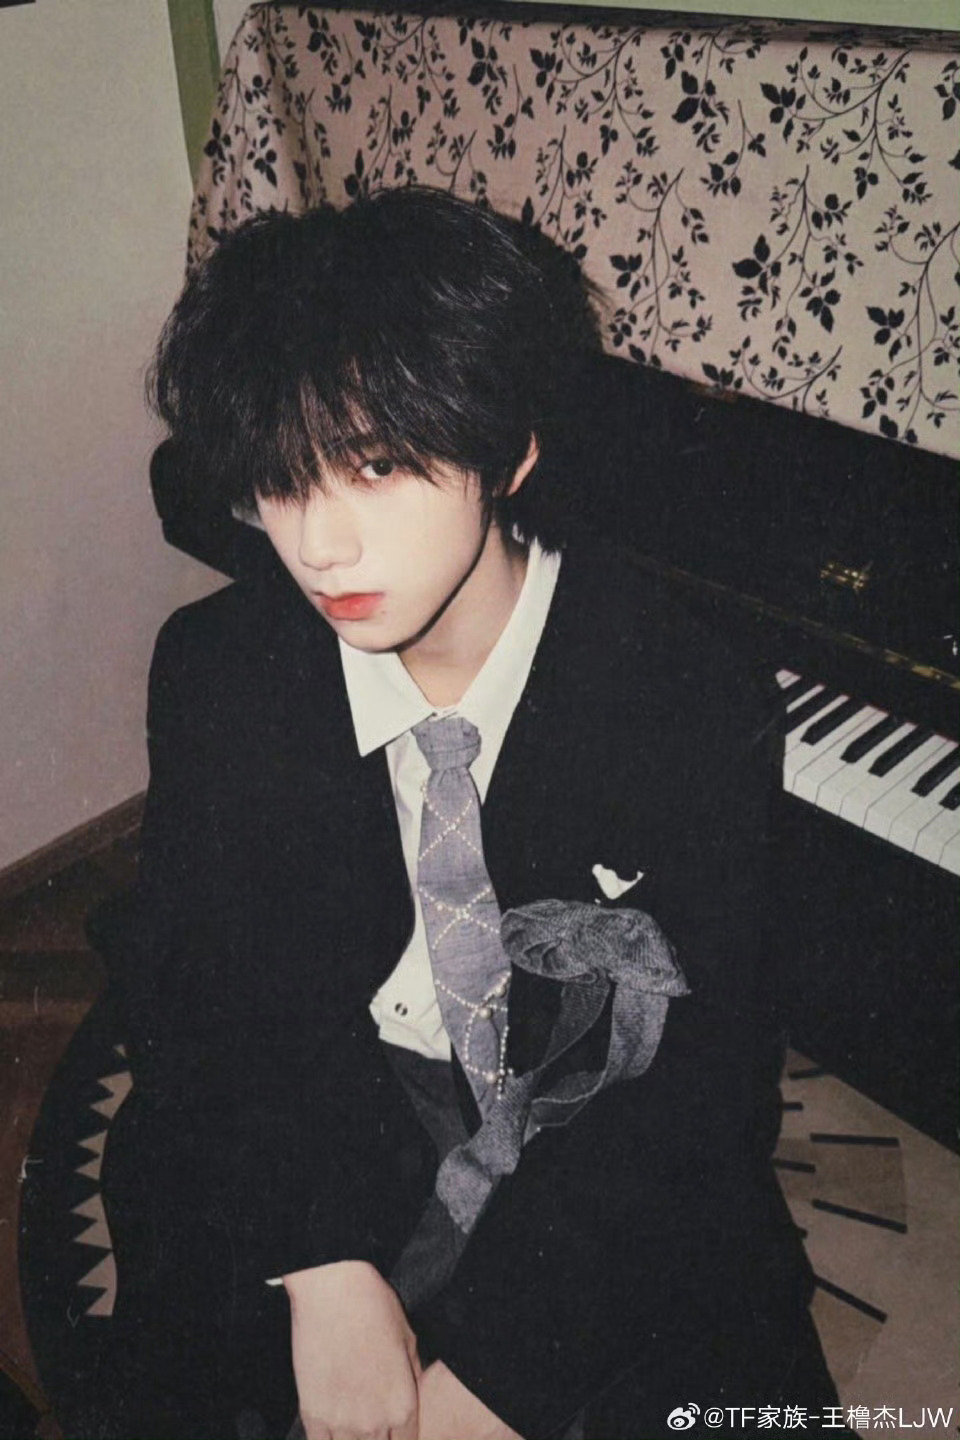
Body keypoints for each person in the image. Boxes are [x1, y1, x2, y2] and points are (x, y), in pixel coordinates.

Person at [94, 186, 839, 1440]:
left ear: (511, 451)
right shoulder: (219, 666)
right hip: (324, 1100)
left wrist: (500, 1377)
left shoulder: (684, 692)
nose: (320, 545)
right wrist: (320, 1261)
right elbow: (199, 980)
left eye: (377, 467)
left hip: (584, 1146)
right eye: (278, 480)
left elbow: (695, 1088)